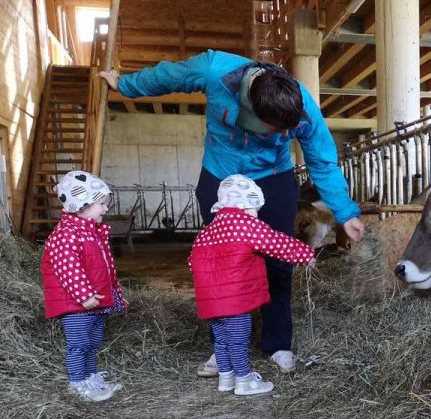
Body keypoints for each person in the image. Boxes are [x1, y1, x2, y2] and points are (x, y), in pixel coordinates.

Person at [99, 50, 364, 375]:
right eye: (275, 129)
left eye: (288, 131)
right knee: (221, 264)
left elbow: (322, 160)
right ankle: (223, 346)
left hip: (273, 177)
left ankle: (278, 343)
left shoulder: (302, 108)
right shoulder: (214, 71)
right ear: (251, 109)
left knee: (278, 262)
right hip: (220, 176)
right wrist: (124, 84)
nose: (284, 136)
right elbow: (168, 76)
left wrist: (345, 211)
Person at [188, 174, 315, 397]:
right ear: (246, 205)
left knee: (221, 341)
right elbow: (278, 243)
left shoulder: (206, 233)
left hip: (211, 302)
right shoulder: (247, 226)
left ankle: (226, 378)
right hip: (236, 301)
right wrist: (305, 254)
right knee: (238, 341)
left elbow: (192, 263)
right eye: (256, 208)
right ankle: (244, 381)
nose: (257, 214)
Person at [41, 171, 127, 402]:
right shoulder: (66, 235)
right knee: (79, 345)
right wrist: (85, 295)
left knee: (93, 342)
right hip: (77, 305)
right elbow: (67, 268)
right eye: (101, 204)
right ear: (82, 205)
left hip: (96, 302)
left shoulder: (92, 233)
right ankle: (77, 383)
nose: (105, 209)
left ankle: (90, 377)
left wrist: (116, 295)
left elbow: (107, 269)